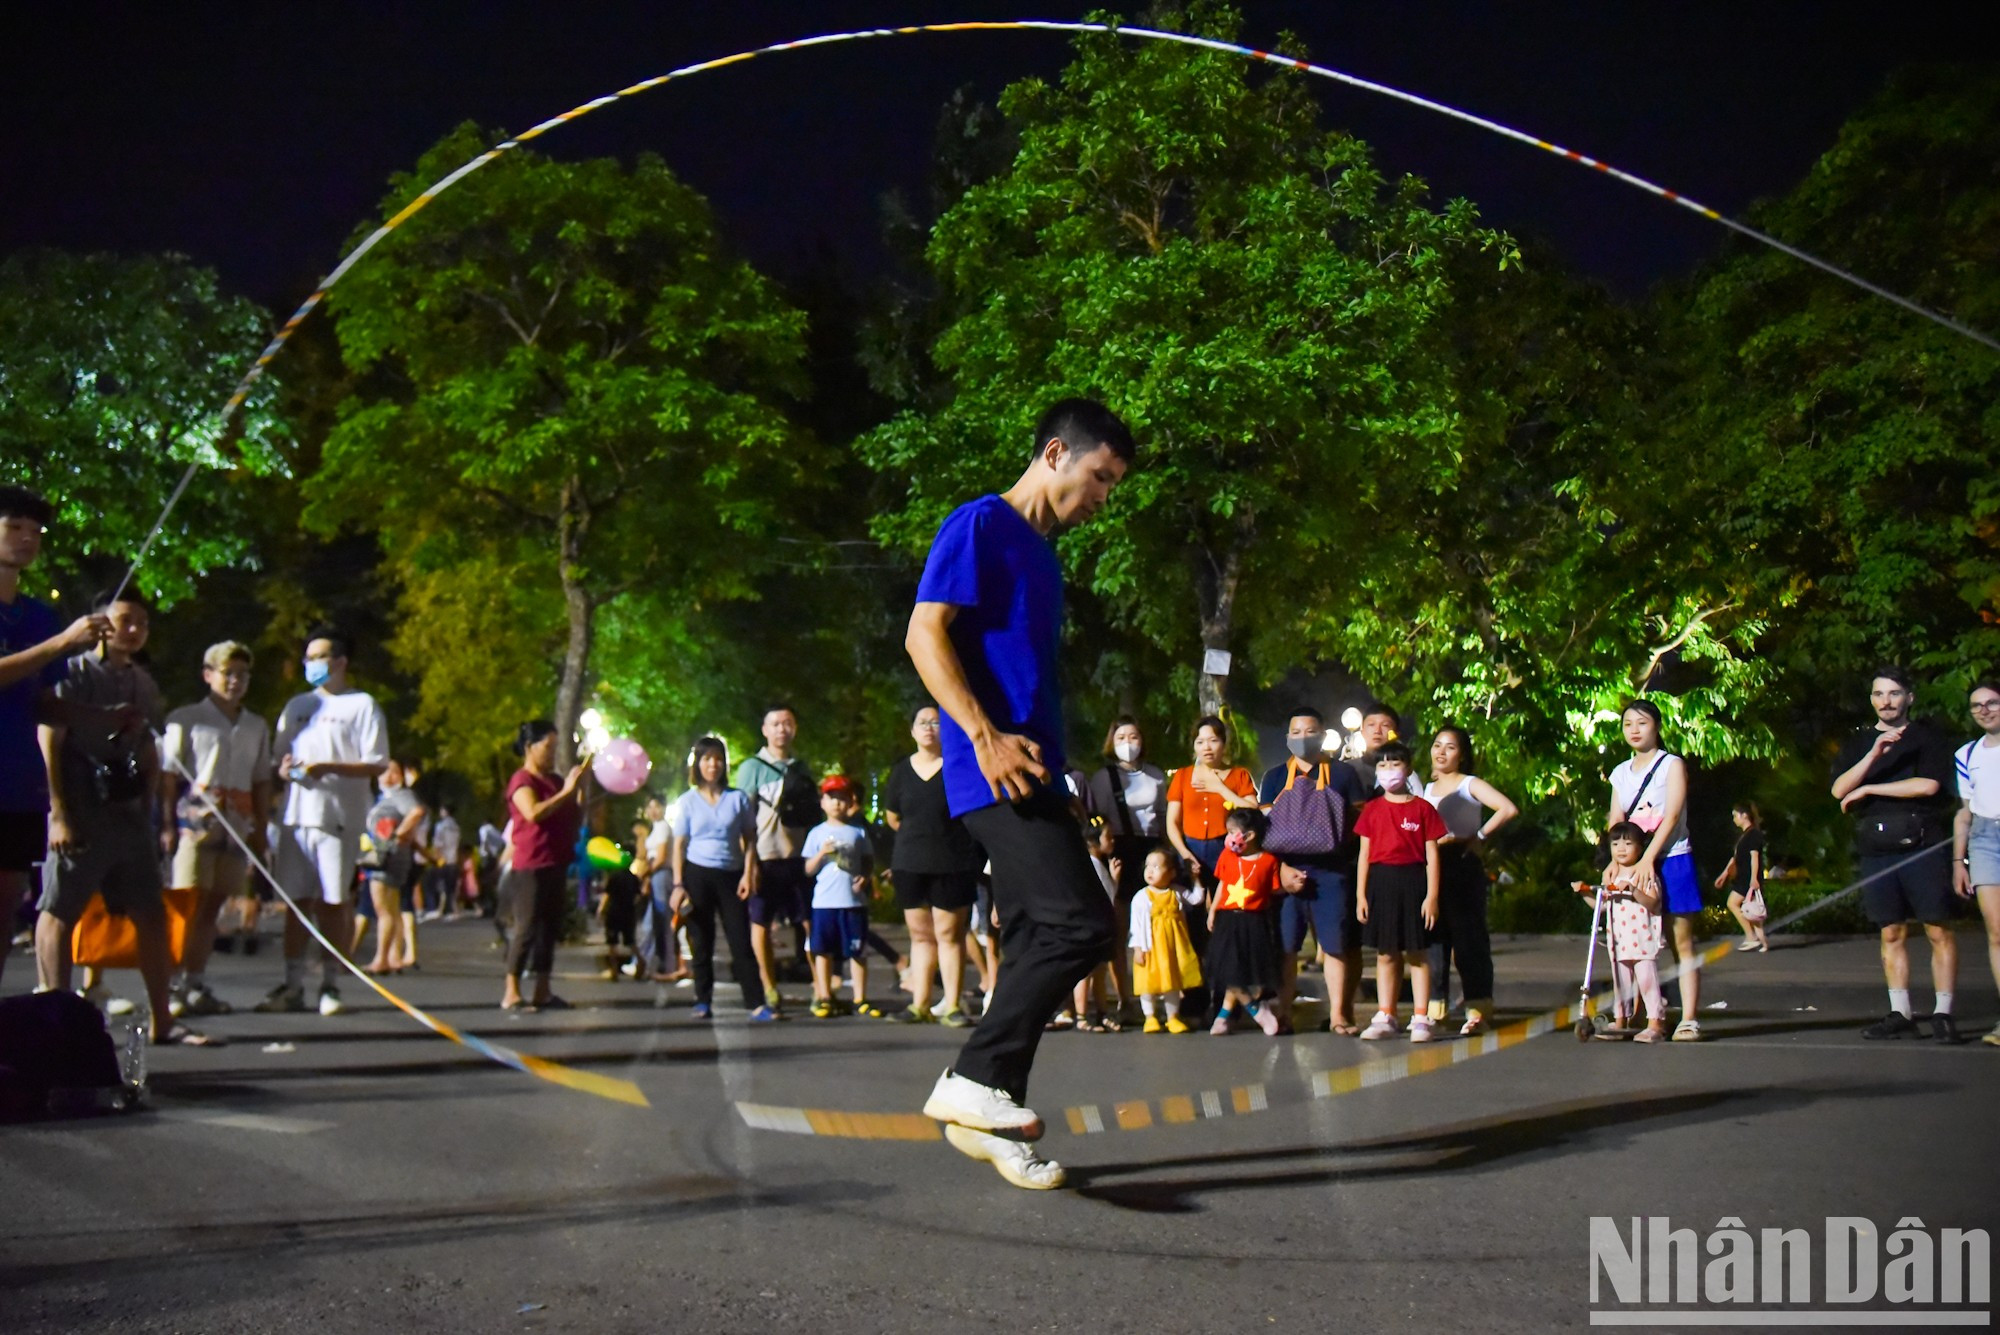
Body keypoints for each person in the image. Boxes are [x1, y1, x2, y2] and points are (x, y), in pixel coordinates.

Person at [906, 396, 1133, 1191]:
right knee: (1080, 926)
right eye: (1100, 477)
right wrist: (982, 735)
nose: (1104, 495)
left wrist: (1066, 780)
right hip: (991, 766)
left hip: (1036, 769)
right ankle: (971, 1080)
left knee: (1040, 935)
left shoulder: (1043, 555)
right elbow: (923, 633)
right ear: (1053, 455)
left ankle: (993, 1107)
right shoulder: (981, 525)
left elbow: (1029, 681)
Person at [34, 596, 210, 1044]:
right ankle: (54, 1015)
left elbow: (148, 747)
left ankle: (162, 1021)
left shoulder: (144, 684)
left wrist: (149, 808)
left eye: (142, 623)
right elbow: (50, 736)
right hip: (79, 806)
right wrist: (59, 812)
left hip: (127, 814)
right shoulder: (73, 673)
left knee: (150, 913)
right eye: (124, 621)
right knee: (60, 908)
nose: (133, 630)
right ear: (102, 625)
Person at [0, 485, 108, 986]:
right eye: (14, 527)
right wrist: (62, 642)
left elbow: (39, 700)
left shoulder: (38, 615)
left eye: (35, 531)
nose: (27, 539)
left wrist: (101, 717)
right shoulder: (51, 631)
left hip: (17, 782)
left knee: (6, 904)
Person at [260, 628, 389, 1017]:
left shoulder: (362, 705)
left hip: (338, 819)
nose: (312, 665)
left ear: (340, 661)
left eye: (320, 657)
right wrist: (286, 771)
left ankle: (331, 983)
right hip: (297, 818)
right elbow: (278, 759)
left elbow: (377, 761)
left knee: (333, 901)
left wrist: (327, 767)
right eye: (308, 658)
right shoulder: (297, 705)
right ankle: (293, 981)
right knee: (296, 903)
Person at [1832, 667, 1960, 1042]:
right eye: (1878, 694)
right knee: (1891, 932)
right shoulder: (1858, 742)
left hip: (1922, 841)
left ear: (1909, 698)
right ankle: (1900, 1011)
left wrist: (1870, 790)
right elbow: (1840, 789)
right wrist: (1873, 756)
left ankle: (1943, 1012)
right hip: (1876, 846)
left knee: (1938, 929)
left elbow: (1929, 784)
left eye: (1893, 694)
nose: (1885, 702)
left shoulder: (1927, 738)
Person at [160, 640, 273, 1016]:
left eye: (243, 675)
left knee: (213, 908)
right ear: (209, 675)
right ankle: (170, 986)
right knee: (186, 903)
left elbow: (261, 780)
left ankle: (195, 981)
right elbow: (168, 775)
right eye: (228, 673)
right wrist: (165, 824)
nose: (235, 681)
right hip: (195, 823)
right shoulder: (187, 718)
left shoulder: (256, 726)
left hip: (237, 825)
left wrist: (260, 829)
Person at [1257, 707, 1368, 1034]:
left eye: (1310, 731)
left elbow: (1359, 826)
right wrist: (1281, 870)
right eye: (1296, 732)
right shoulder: (1275, 777)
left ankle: (1338, 1015)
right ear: (1287, 737)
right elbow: (1265, 831)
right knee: (1287, 947)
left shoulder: (1343, 774)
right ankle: (1285, 1014)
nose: (1303, 738)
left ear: (1321, 734)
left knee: (1334, 945)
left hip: (1332, 872)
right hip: (1286, 872)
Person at [1607, 698, 1705, 1041]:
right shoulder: (1620, 772)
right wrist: (1613, 862)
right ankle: (1641, 1015)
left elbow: (1673, 814)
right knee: (1632, 943)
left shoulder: (1671, 765)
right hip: (1634, 864)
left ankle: (1689, 1018)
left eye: (1642, 723)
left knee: (1681, 940)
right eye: (1627, 724)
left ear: (1657, 727)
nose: (1634, 730)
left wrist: (1649, 857)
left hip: (1673, 857)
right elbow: (1616, 821)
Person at [883, 704, 982, 1027]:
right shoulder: (900, 771)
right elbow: (893, 817)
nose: (929, 728)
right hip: (910, 862)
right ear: (912, 730)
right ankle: (919, 1003)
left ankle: (952, 1003)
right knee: (920, 935)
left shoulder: (958, 768)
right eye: (922, 722)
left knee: (949, 934)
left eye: (936, 723)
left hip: (953, 861)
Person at [1422, 725, 1518, 1035]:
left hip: (1462, 866)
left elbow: (1507, 808)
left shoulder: (1469, 784)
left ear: (1461, 755)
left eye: (1450, 747)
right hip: (1430, 869)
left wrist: (1478, 836)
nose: (1441, 752)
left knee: (1469, 941)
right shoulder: (1424, 789)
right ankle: (1435, 1009)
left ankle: (1478, 1010)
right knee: (1434, 941)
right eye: (1437, 745)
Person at [670, 736, 773, 1022]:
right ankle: (702, 1000)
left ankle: (756, 1002)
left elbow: (750, 839)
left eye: (717, 759)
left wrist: (748, 873)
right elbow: (679, 845)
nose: (712, 765)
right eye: (706, 759)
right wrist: (678, 884)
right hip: (697, 874)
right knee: (701, 941)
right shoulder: (687, 801)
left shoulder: (737, 798)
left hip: (731, 875)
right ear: (698, 764)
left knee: (740, 940)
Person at [1355, 742, 1447, 1042]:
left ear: (1407, 769)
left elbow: (1432, 855)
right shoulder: (1372, 809)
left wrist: (1431, 896)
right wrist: (1361, 895)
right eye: (1382, 765)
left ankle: (1421, 1017)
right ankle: (1386, 1014)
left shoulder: (1423, 809)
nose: (1388, 771)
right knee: (1385, 953)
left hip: (1413, 882)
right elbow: (1364, 855)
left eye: (1395, 764)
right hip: (1381, 883)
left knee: (1417, 952)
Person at [497, 721, 584, 1012]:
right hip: (530, 864)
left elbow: (574, 816)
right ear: (529, 748)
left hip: (557, 862)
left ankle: (542, 990)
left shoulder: (556, 781)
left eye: (555, 748)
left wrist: (578, 789)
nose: (552, 754)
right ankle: (512, 990)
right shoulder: (522, 780)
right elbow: (532, 813)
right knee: (527, 927)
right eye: (548, 748)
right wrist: (566, 792)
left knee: (549, 928)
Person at [736, 706, 816, 1009]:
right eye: (775, 724)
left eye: (787, 723)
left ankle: (821, 987)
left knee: (810, 923)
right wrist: (749, 863)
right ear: (765, 730)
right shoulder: (751, 768)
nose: (781, 729)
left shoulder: (801, 768)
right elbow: (743, 820)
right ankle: (769, 987)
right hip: (765, 858)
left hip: (800, 858)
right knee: (761, 923)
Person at [1574, 822, 1668, 1043]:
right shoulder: (1612, 876)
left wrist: (1633, 890)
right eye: (1616, 844)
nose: (1621, 848)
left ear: (1639, 847)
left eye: (1628, 843)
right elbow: (1602, 905)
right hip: (1619, 939)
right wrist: (1584, 892)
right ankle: (1621, 1019)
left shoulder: (1644, 874)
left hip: (1642, 938)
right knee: (1621, 981)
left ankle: (1655, 1022)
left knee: (1647, 980)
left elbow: (1654, 903)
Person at [1204, 808, 1289, 1036]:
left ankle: (1224, 1015)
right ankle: (1255, 1008)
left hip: (1254, 920)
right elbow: (1222, 884)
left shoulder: (1269, 860)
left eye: (1233, 831)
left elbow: (1275, 890)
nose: (1229, 836)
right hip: (1227, 919)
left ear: (1249, 835)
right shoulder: (1227, 857)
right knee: (1224, 967)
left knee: (1240, 969)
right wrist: (1213, 910)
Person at [803, 775, 877, 1018]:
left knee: (857, 951)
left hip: (853, 902)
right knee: (822, 950)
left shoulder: (858, 832)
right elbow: (808, 869)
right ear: (822, 802)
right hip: (824, 902)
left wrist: (866, 877)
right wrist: (822, 853)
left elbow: (868, 861)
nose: (837, 803)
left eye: (842, 798)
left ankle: (860, 997)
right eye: (831, 798)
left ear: (850, 802)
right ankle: (824, 995)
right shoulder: (816, 833)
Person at [1952, 680, 2000, 1046]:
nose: (1984, 710)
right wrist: (1959, 860)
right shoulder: (1966, 755)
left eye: (1992, 703)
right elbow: (1965, 813)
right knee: (1996, 932)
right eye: (1976, 706)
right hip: (1984, 839)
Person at [1165, 715, 1257, 886]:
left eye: (1213, 740)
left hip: (1226, 848)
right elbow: (1172, 822)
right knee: (1191, 905)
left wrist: (1221, 788)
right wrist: (1184, 853)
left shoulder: (1239, 775)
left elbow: (1253, 810)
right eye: (1200, 742)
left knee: (1224, 902)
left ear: (1223, 744)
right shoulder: (1183, 776)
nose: (1206, 747)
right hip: (1189, 847)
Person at [360, 759, 426, 975]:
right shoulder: (387, 797)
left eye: (390, 771)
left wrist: (397, 836)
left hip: (386, 857)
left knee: (384, 909)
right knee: (393, 908)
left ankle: (381, 959)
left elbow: (416, 811)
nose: (384, 775)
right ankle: (393, 955)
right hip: (389, 854)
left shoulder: (400, 796)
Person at [1127, 844, 1201, 1033]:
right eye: (1148, 866)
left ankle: (1172, 1017)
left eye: (1157, 867)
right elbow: (1136, 926)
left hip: (1172, 948)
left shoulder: (1176, 892)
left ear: (1172, 873)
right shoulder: (1141, 897)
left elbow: (1196, 899)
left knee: (1172, 983)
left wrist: (1197, 880)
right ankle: (1150, 1017)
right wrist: (1137, 949)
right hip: (1150, 948)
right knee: (1148, 983)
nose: (1150, 871)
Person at [1716, 801, 1770, 953]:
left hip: (1747, 878)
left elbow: (1755, 857)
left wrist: (1754, 878)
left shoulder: (1754, 835)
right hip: (1742, 876)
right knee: (1752, 911)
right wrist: (1724, 874)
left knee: (1732, 903)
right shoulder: (1744, 836)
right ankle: (1761, 941)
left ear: (1744, 815)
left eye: (1735, 815)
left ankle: (1751, 937)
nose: (1734, 819)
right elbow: (1735, 858)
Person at [427, 803, 461, 920]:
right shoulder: (456, 826)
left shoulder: (440, 826)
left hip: (443, 859)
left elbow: (438, 844)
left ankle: (439, 909)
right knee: (451, 887)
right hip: (454, 859)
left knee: (440, 885)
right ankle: (453, 910)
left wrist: (435, 859)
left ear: (445, 811)